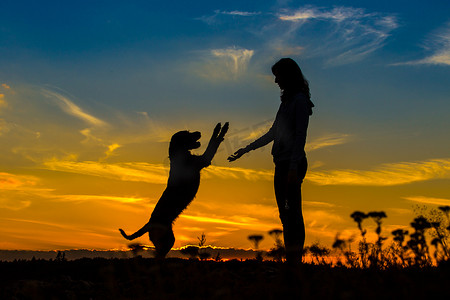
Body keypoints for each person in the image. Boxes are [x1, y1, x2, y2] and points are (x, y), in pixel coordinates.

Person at [228, 58, 314, 264]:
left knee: (292, 214)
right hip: (282, 164)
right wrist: (245, 150)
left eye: (278, 75)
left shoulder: (300, 101)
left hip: (292, 165)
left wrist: (293, 168)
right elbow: (274, 133)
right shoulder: (286, 101)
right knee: (285, 215)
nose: (275, 80)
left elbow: (301, 136)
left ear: (288, 75)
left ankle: (295, 262)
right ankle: (291, 260)